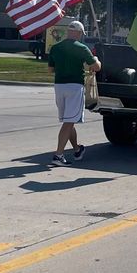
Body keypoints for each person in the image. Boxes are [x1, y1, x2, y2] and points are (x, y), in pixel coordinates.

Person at [47, 20, 101, 166]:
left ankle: (77, 150)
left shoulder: (55, 48)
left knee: (68, 121)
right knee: (69, 122)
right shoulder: (82, 48)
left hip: (59, 86)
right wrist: (96, 59)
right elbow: (96, 67)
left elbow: (50, 70)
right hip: (75, 87)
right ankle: (58, 155)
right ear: (78, 33)